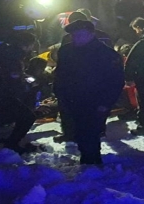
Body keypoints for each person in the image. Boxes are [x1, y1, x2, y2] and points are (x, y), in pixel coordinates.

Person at [53, 19, 125, 165]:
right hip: (71, 100)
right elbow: (60, 74)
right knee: (79, 132)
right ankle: (88, 163)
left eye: (80, 34)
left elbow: (115, 81)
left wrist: (105, 103)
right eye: (74, 35)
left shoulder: (106, 54)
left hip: (95, 101)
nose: (76, 38)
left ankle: (92, 164)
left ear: (91, 34)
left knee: (90, 133)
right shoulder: (66, 51)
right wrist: (60, 94)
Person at [50, 10, 113, 143]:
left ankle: (69, 134)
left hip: (77, 81)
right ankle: (99, 130)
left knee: (69, 111)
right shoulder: (104, 36)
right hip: (98, 80)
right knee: (97, 109)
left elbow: (63, 62)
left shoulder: (68, 39)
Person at [0, 31, 43, 154]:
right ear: (27, 45)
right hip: (0, 95)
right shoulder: (14, 57)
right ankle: (12, 143)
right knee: (28, 116)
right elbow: (14, 81)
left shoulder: (4, 52)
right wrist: (29, 85)